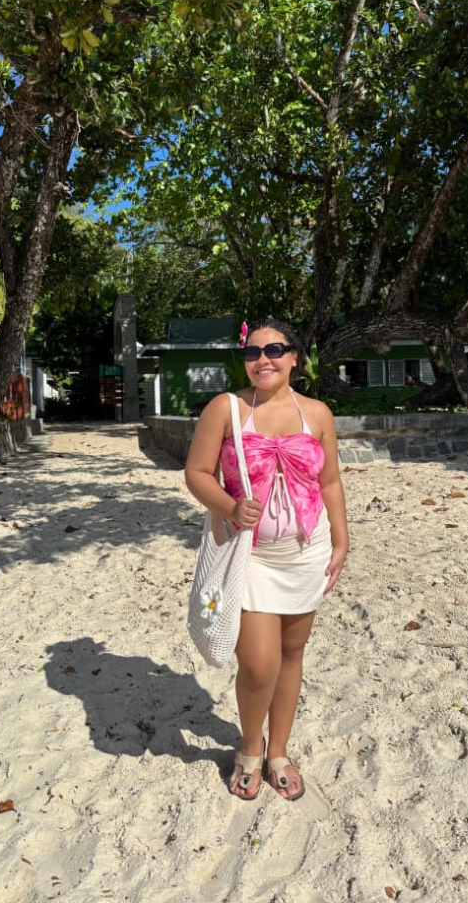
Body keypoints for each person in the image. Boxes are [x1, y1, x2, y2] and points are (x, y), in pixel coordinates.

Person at [184, 319, 349, 801]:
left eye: (275, 350)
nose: (263, 360)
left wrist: (341, 539)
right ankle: (250, 748)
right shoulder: (227, 408)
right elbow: (196, 473)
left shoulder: (317, 413)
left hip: (306, 554)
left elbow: (330, 481)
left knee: (292, 654)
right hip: (248, 556)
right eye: (253, 352)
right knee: (258, 664)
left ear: (296, 357)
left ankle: (279, 750)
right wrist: (230, 507)